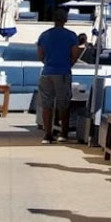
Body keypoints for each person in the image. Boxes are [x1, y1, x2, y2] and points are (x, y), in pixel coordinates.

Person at [37, 9, 81, 144]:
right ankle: (63, 133)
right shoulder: (71, 36)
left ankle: (47, 134)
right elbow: (75, 55)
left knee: (46, 104)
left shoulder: (44, 35)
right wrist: (67, 64)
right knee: (64, 104)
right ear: (65, 19)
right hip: (62, 72)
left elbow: (40, 55)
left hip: (47, 72)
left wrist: (49, 63)